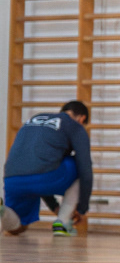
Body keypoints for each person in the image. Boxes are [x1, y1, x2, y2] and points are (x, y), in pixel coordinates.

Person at [2, 101, 93, 236]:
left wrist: (55, 207)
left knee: (18, 227)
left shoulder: (35, 119)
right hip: (44, 176)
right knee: (78, 165)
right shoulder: (75, 126)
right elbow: (86, 171)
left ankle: (2, 211)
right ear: (82, 119)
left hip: (12, 178)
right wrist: (82, 209)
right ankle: (62, 223)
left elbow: (39, 165)